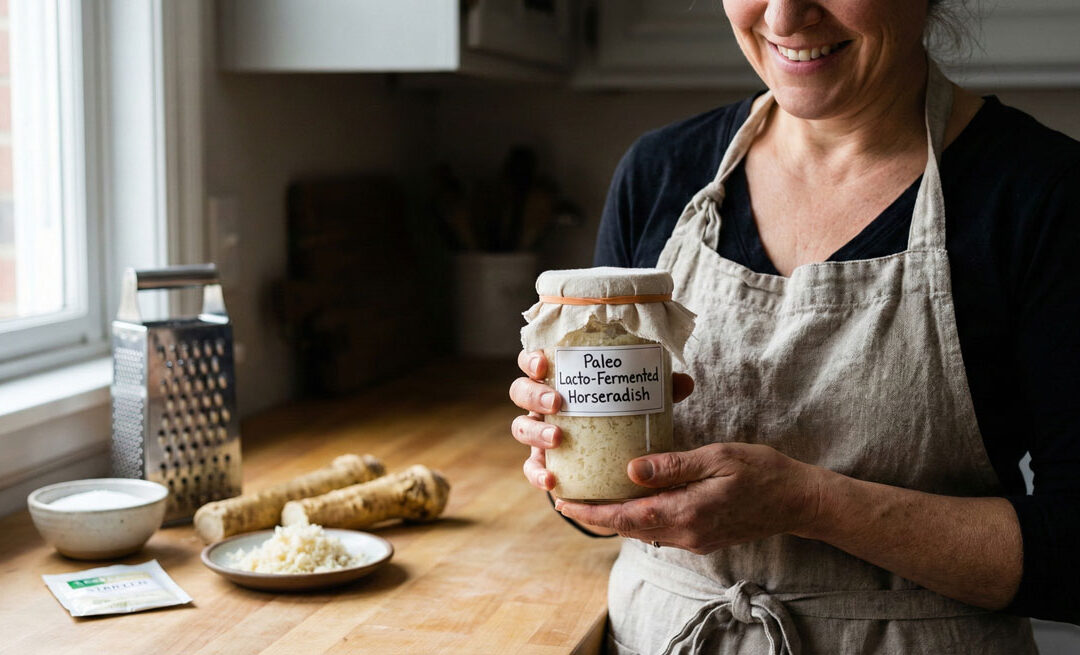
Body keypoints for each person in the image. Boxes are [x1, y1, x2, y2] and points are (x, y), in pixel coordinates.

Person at [509, 0, 1080, 653]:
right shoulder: (659, 172)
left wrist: (808, 503)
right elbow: (611, 505)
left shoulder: (1044, 194)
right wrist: (568, 455)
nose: (782, 18)